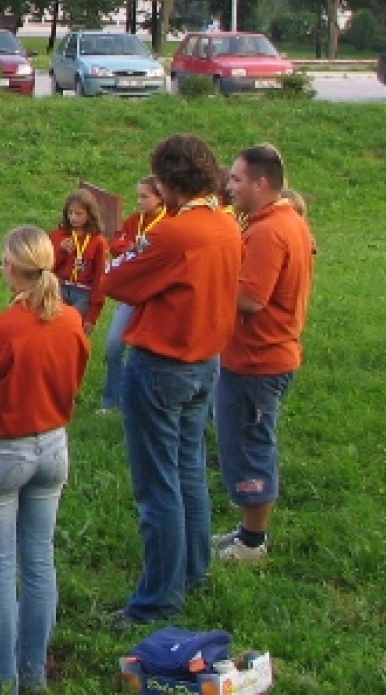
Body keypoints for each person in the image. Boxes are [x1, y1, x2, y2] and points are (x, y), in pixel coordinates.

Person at [101, 134, 242, 625]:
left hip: (162, 364)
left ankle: (158, 599)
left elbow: (116, 280)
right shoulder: (226, 224)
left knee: (157, 485)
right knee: (189, 470)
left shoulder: (176, 234)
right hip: (205, 362)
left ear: (168, 181)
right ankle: (192, 571)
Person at [0, 227, 91, 691]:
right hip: (52, 444)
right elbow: (77, 373)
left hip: (2, 449)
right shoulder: (71, 320)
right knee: (39, 560)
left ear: (13, 270)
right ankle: (32, 671)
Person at [214, 145, 315, 563]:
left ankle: (253, 543)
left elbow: (251, 299)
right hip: (263, 355)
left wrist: (207, 286)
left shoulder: (268, 232)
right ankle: (246, 530)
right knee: (245, 441)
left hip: (258, 359)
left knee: (252, 445)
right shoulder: (284, 221)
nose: (230, 186)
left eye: (237, 179)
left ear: (261, 183)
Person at [100, 178, 167, 413]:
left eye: (144, 197)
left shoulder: (168, 221)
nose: (139, 202)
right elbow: (117, 242)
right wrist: (130, 248)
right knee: (113, 345)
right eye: (138, 197)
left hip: (155, 294)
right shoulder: (135, 220)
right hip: (131, 292)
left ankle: (141, 403)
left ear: (160, 197)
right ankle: (111, 399)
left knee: (146, 351)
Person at [50, 189, 108, 334]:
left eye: (79, 213)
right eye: (70, 213)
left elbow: (100, 277)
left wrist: (93, 315)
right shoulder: (58, 235)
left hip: (83, 292)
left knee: (73, 331)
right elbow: (47, 268)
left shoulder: (98, 242)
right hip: (60, 287)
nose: (73, 218)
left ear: (90, 214)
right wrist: (61, 251)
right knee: (53, 329)